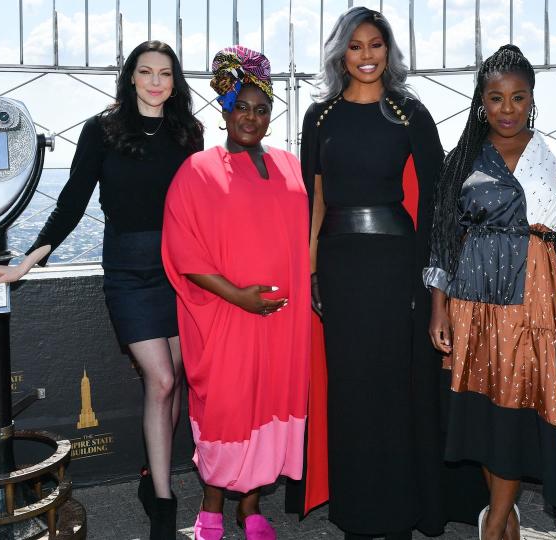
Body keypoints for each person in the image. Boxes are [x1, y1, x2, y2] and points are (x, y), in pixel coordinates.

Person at [0, 40, 203, 539]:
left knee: (174, 382)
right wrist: (25, 263)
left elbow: (204, 207)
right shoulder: (103, 129)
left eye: (165, 73)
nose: (156, 81)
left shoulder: (189, 132)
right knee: (160, 381)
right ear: (132, 77)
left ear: (175, 80)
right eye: (146, 71)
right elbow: (73, 199)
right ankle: (163, 501)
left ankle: (149, 477)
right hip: (129, 271)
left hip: (180, 270)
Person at [294, 6, 486, 539]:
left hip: (398, 267)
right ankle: (357, 514)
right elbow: (316, 201)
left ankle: (401, 514)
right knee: (351, 392)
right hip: (339, 269)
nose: (366, 56)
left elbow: (438, 203)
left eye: (375, 44)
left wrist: (432, 281)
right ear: (340, 52)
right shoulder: (320, 117)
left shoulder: (409, 113)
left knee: (398, 391)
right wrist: (311, 273)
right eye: (355, 46)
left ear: (389, 50)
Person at [425, 44, 556, 540]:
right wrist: (438, 307)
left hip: (532, 301)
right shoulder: (463, 159)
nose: (507, 109)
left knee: (515, 409)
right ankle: (504, 514)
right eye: (496, 99)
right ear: (481, 102)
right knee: (483, 413)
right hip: (471, 302)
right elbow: (443, 237)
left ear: (532, 98)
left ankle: (494, 520)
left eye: (518, 98)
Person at [161, 45, 309, 540]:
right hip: (227, 318)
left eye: (261, 108)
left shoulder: (290, 166)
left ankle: (250, 510)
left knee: (268, 405)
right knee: (226, 409)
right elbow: (184, 250)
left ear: (271, 115)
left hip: (283, 323)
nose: (251, 116)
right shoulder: (199, 170)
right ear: (225, 111)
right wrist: (238, 296)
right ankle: (210, 508)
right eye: (241, 107)